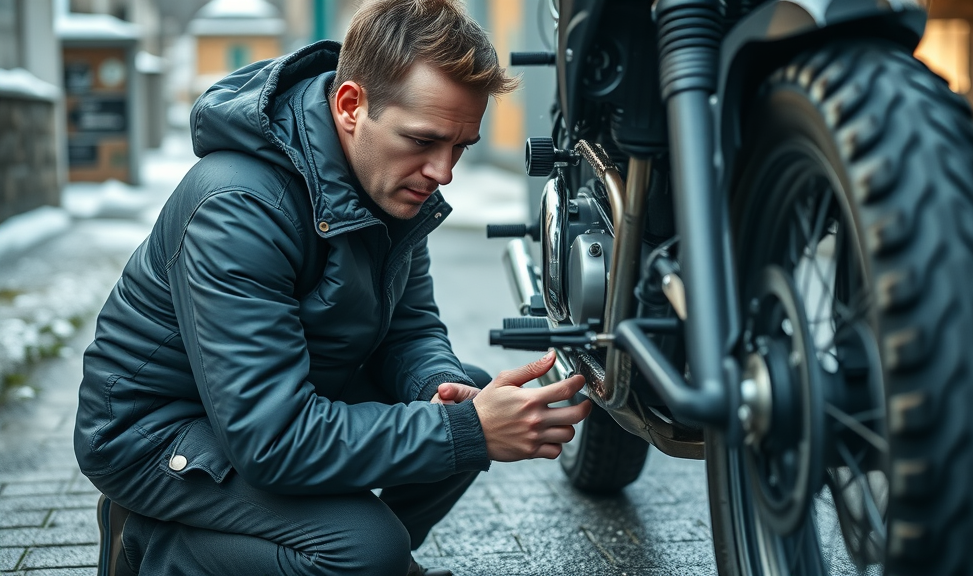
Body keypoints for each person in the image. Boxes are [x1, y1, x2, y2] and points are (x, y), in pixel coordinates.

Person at [73, 1, 592, 574]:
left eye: (460, 147)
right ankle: (153, 545)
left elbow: (411, 329)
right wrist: (464, 429)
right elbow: (272, 439)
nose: (443, 172)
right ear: (351, 106)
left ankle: (334, 550)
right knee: (372, 538)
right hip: (157, 436)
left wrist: (440, 389)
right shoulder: (238, 207)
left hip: (267, 407)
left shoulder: (386, 181)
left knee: (461, 396)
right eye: (423, 140)